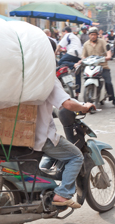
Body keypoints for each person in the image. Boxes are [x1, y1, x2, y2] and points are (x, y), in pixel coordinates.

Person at [34, 77, 95, 209]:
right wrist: (84, 107)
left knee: (52, 152)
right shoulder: (46, 76)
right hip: (41, 136)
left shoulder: (20, 74)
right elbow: (67, 104)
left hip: (18, 136)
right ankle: (63, 193)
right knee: (76, 156)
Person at [76, 27, 115, 107]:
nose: (93, 36)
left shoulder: (102, 42)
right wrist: (81, 61)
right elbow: (84, 56)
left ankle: (113, 99)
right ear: (89, 35)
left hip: (102, 66)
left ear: (97, 35)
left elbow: (108, 52)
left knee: (108, 82)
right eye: (91, 35)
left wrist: (108, 56)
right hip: (90, 67)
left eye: (94, 35)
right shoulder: (86, 44)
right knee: (85, 78)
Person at [55, 26, 83, 99]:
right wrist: (62, 51)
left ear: (65, 31)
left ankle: (74, 65)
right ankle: (77, 94)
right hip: (79, 54)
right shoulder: (75, 37)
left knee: (61, 62)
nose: (62, 35)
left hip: (73, 53)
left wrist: (54, 53)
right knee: (77, 74)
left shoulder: (68, 35)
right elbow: (65, 49)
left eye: (62, 33)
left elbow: (59, 45)